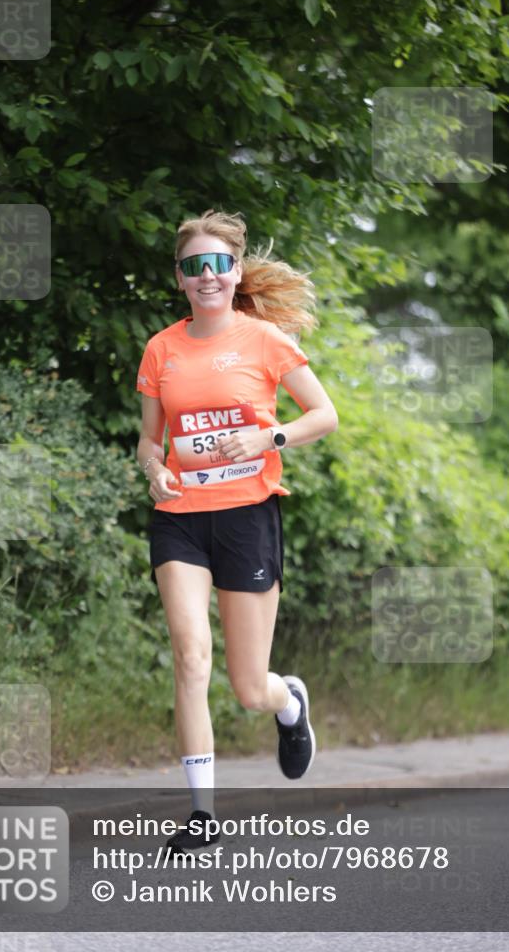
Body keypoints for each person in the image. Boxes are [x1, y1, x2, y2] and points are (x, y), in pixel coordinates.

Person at [135, 209, 338, 854]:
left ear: (236, 270)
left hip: (248, 516)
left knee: (249, 688)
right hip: (181, 521)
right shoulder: (161, 348)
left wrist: (267, 435)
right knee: (191, 657)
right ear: (180, 278)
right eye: (194, 266)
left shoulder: (265, 341)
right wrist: (153, 469)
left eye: (218, 264)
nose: (207, 276)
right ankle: (201, 817)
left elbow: (324, 415)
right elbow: (148, 437)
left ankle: (290, 703)